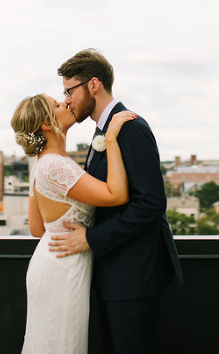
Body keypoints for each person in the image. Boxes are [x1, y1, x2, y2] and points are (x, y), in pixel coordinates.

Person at [50, 49, 183, 354]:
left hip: (133, 277)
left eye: (70, 91)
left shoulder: (131, 128)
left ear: (93, 85)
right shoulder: (103, 131)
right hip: (113, 277)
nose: (67, 100)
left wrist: (91, 238)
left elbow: (151, 204)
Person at [10, 93, 136, 354]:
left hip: (52, 261)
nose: (66, 102)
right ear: (46, 124)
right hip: (64, 269)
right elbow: (117, 195)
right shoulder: (56, 166)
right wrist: (111, 139)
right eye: (57, 105)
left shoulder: (43, 162)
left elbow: (37, 229)